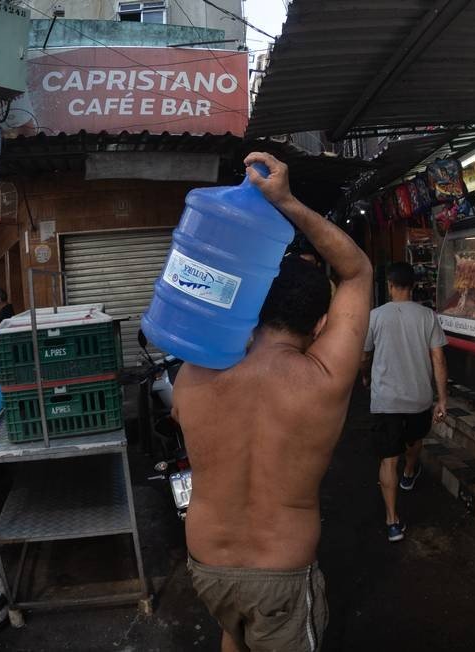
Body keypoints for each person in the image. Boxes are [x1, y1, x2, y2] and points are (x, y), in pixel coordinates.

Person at [174, 152, 372, 652]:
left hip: (207, 566)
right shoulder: (324, 379)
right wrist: (285, 201)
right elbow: (356, 272)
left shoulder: (193, 373)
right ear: (322, 326)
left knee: (232, 633)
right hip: (279, 574)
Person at [362, 263, 448, 542]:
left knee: (388, 460)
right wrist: (442, 399)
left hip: (385, 400)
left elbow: (365, 355)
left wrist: (365, 376)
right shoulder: (427, 316)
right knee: (414, 440)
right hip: (418, 398)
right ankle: (410, 472)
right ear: (413, 286)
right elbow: (438, 358)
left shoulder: (375, 316)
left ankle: (392, 521)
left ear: (389, 285)